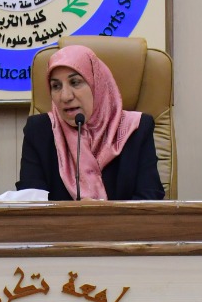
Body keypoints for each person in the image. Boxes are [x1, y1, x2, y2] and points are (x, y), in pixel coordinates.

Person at [16, 44, 164, 201]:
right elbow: (31, 202)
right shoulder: (39, 131)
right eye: (56, 86)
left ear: (97, 84)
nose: (65, 96)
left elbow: (150, 199)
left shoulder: (136, 128)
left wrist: (99, 213)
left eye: (75, 82)